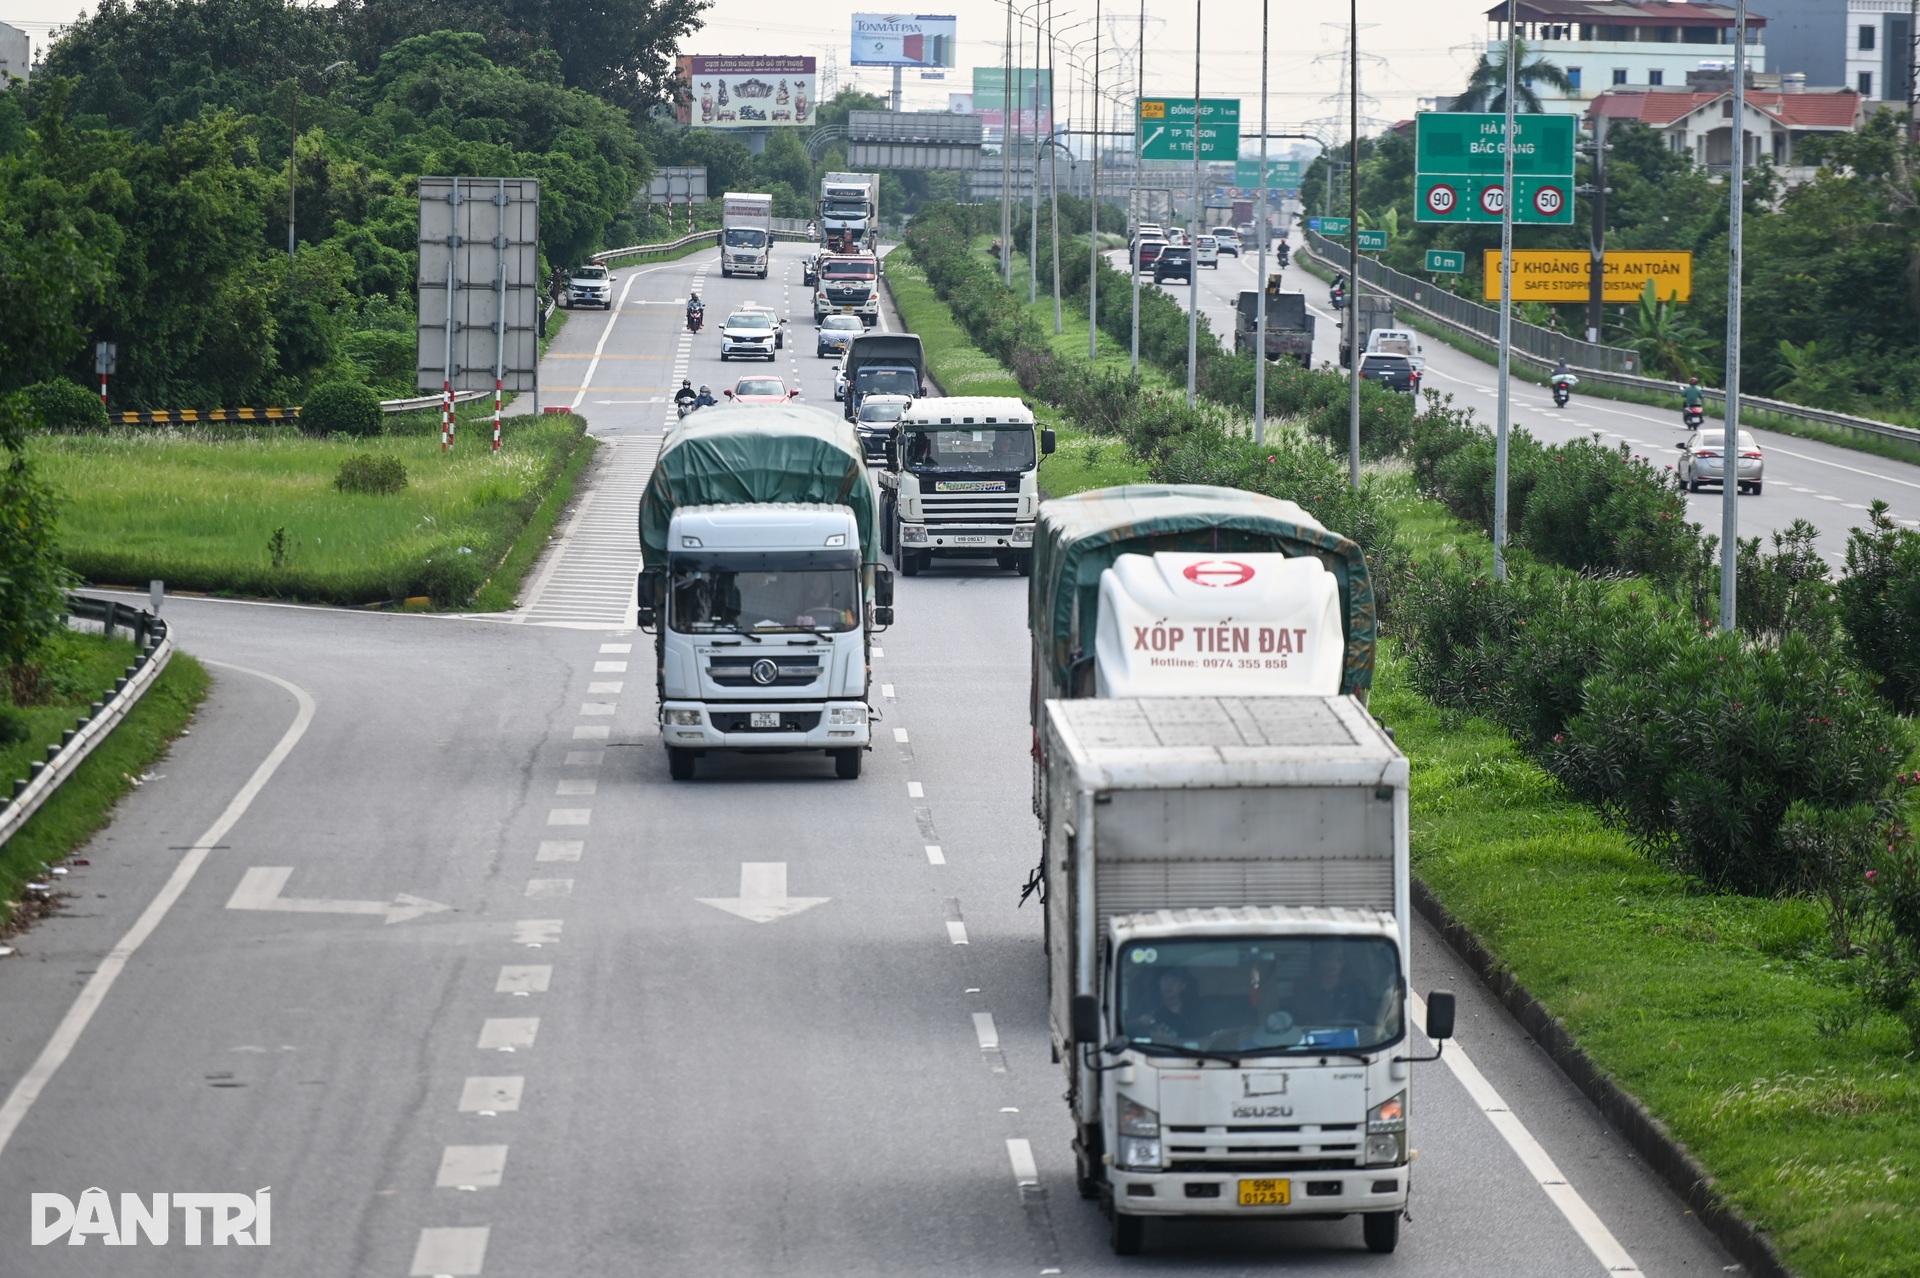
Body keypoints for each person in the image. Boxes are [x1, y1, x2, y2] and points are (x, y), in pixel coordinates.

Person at [1289, 945, 1379, 1027]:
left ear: (1344, 963)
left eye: (1338, 959)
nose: (1332, 963)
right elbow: (1300, 1021)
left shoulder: (1356, 989)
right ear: (1318, 961)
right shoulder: (1305, 989)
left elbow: (1365, 1021)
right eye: (1327, 958)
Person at [1128, 968, 1201, 1043]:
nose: (1168, 985)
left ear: (1183, 986)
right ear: (1159, 983)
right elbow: (1127, 1028)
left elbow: (1197, 1038)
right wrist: (1139, 1022)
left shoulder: (1192, 1011)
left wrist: (1168, 1040)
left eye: (1174, 981)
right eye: (1165, 979)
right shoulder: (1148, 1007)